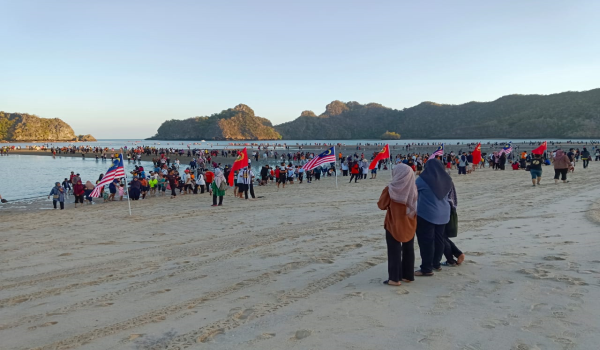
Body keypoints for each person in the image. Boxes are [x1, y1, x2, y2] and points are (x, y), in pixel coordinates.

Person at [377, 163, 417, 286]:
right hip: (410, 222)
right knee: (408, 248)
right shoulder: (413, 188)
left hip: (393, 223)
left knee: (394, 250)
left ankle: (394, 278)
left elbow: (381, 205)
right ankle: (408, 275)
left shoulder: (391, 189)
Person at [415, 159, 453, 276]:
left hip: (427, 214)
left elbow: (413, 193)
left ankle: (426, 268)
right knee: (439, 239)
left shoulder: (422, 180)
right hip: (444, 213)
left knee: (427, 241)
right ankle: (436, 264)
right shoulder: (448, 179)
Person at [442, 185, 465, 266]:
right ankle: (457, 254)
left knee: (440, 236)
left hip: (442, 209)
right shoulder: (447, 178)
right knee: (442, 235)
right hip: (449, 208)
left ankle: (451, 259)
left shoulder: (439, 178)